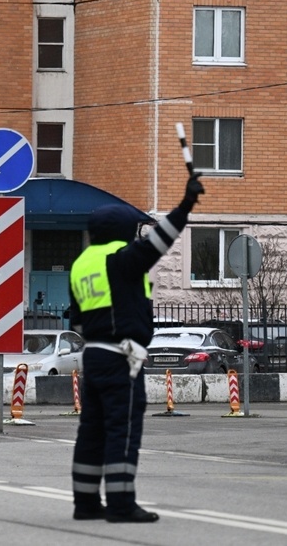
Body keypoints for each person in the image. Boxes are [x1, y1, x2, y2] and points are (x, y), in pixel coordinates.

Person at [68, 173, 205, 523]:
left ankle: (85, 503)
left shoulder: (81, 264)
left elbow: (77, 322)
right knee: (123, 429)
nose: (137, 236)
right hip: (121, 358)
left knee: (91, 430)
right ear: (123, 231)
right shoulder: (121, 258)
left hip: (93, 355)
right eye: (133, 231)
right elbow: (159, 241)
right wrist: (186, 204)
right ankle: (121, 504)